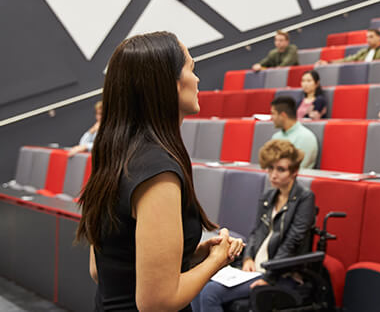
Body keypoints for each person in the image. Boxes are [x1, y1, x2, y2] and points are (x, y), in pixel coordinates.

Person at [77, 32, 244, 311]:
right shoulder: (157, 171)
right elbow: (157, 303)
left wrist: (192, 256)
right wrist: (218, 260)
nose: (198, 79)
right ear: (171, 84)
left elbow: (103, 269)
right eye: (191, 68)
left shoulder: (114, 155)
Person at [192, 140, 315, 312]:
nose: (273, 175)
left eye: (281, 169)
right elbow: (256, 233)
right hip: (252, 269)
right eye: (270, 168)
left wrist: (269, 275)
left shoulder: (304, 198)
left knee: (209, 293)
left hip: (280, 273)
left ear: (294, 172)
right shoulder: (268, 196)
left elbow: (293, 241)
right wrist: (248, 258)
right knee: (198, 287)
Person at [269, 96, 319, 169]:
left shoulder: (306, 137)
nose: (271, 117)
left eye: (273, 114)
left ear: (283, 115)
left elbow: (299, 168)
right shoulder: (275, 137)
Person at [315, 29, 380, 65]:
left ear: (379, 37)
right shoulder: (363, 51)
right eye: (367, 37)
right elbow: (348, 59)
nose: (368, 40)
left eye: (371, 37)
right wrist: (328, 62)